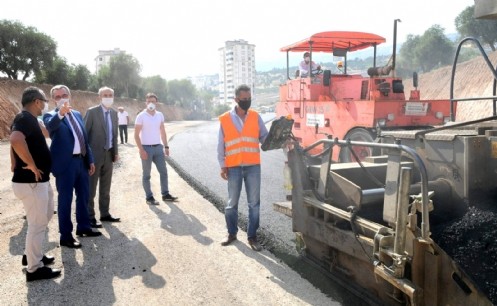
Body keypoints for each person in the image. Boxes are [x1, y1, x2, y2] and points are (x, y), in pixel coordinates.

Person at [10, 86, 61, 281]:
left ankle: (32, 255)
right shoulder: (24, 118)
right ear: (37, 102)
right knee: (37, 223)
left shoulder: (27, 119)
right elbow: (15, 139)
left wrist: (14, 160)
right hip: (31, 183)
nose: (45, 105)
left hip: (40, 182)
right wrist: (30, 164)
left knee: (44, 217)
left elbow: (16, 139)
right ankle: (34, 269)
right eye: (44, 101)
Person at [43, 85, 102, 249]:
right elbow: (50, 128)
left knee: (83, 197)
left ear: (69, 96)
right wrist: (61, 113)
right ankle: (66, 236)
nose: (61, 98)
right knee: (65, 201)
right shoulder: (50, 115)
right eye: (57, 96)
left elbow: (83, 138)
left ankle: (83, 227)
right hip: (65, 166)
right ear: (53, 99)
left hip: (81, 163)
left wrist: (89, 160)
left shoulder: (76, 114)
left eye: (64, 95)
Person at [217, 84, 268, 252]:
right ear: (236, 99)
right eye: (244, 99)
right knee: (232, 203)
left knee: (254, 204)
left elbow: (264, 138)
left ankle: (252, 236)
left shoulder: (255, 116)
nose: (247, 102)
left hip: (253, 166)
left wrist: (279, 139)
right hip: (234, 167)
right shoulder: (225, 119)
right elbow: (221, 144)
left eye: (249, 98)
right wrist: (223, 165)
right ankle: (231, 233)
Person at [84, 86, 120, 228]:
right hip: (94, 156)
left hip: (109, 155)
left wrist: (115, 152)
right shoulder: (92, 112)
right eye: (105, 95)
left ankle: (105, 214)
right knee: (91, 189)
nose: (108, 97)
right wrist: (87, 157)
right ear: (99, 97)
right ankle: (90, 217)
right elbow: (84, 136)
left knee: (105, 188)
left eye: (110, 95)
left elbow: (114, 135)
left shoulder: (114, 113)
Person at [134, 93, 178, 205]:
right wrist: (141, 150)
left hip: (158, 148)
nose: (151, 103)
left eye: (153, 101)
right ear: (146, 102)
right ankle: (149, 198)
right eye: (148, 101)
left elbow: (162, 131)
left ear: (156, 103)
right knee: (146, 175)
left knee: (164, 172)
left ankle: (165, 194)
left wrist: (166, 146)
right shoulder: (141, 116)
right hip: (146, 149)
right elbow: (136, 135)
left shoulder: (160, 115)